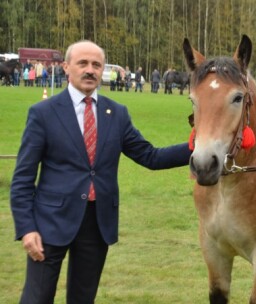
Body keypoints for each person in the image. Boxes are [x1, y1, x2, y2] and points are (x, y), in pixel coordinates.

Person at [10, 40, 192, 304]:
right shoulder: (43, 113)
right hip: (50, 222)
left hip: (97, 223)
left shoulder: (116, 114)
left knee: (83, 299)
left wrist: (197, 146)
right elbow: (23, 179)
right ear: (66, 67)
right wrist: (27, 228)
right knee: (36, 298)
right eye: (82, 63)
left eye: (96, 64)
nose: (90, 70)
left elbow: (150, 156)